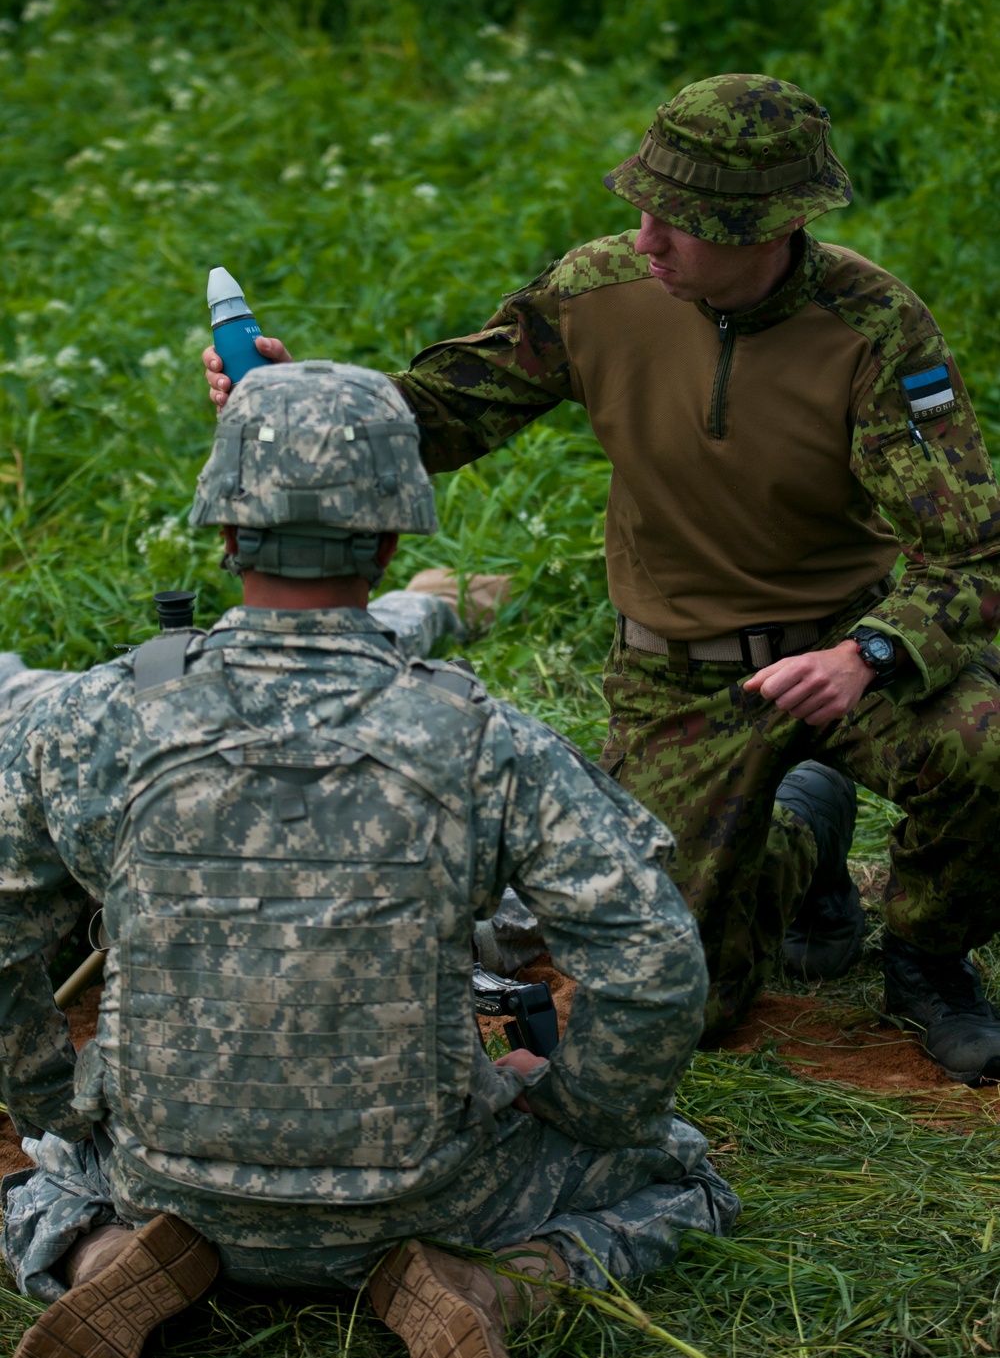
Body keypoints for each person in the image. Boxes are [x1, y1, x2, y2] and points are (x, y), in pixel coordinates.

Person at [204, 74, 1000, 1083]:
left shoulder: (873, 328)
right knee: (687, 1004)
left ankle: (926, 958)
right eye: (643, 205)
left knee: (985, 753)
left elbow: (973, 547)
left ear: (771, 227)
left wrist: (870, 653)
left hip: (836, 647)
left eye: (681, 221)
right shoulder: (595, 292)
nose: (648, 238)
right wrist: (292, 396)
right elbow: (438, 415)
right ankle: (803, 839)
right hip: (679, 673)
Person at [0, 362, 737, 1358]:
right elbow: (653, 962)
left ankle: (107, 1261)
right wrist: (577, 1107)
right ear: (393, 542)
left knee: (38, 1185)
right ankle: (497, 1290)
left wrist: (61, 1105)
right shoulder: (481, 735)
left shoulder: (95, 719)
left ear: (223, 535)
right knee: (677, 1174)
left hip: (160, 1180)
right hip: (429, 1196)